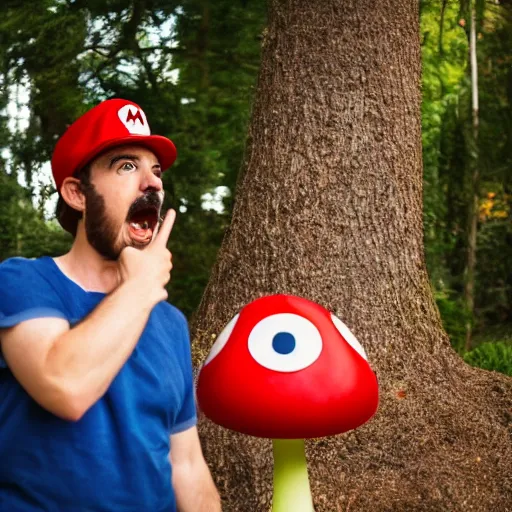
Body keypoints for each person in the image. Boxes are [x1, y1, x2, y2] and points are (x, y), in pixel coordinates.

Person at [0, 99, 221, 511]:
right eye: (126, 167)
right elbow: (65, 387)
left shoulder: (170, 322)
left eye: (156, 171)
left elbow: (186, 465)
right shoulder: (21, 282)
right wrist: (141, 285)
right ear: (77, 194)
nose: (152, 183)